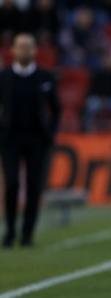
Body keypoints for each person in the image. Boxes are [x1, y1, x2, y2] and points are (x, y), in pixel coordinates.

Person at [0, 33, 60, 248]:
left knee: (34, 187)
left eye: (28, 47)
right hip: (10, 140)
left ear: (35, 51)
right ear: (13, 50)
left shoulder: (45, 77)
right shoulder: (4, 77)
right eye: (20, 47)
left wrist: (50, 133)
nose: (24, 51)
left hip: (37, 140)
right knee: (12, 183)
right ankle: (10, 232)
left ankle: (27, 234)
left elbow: (56, 109)